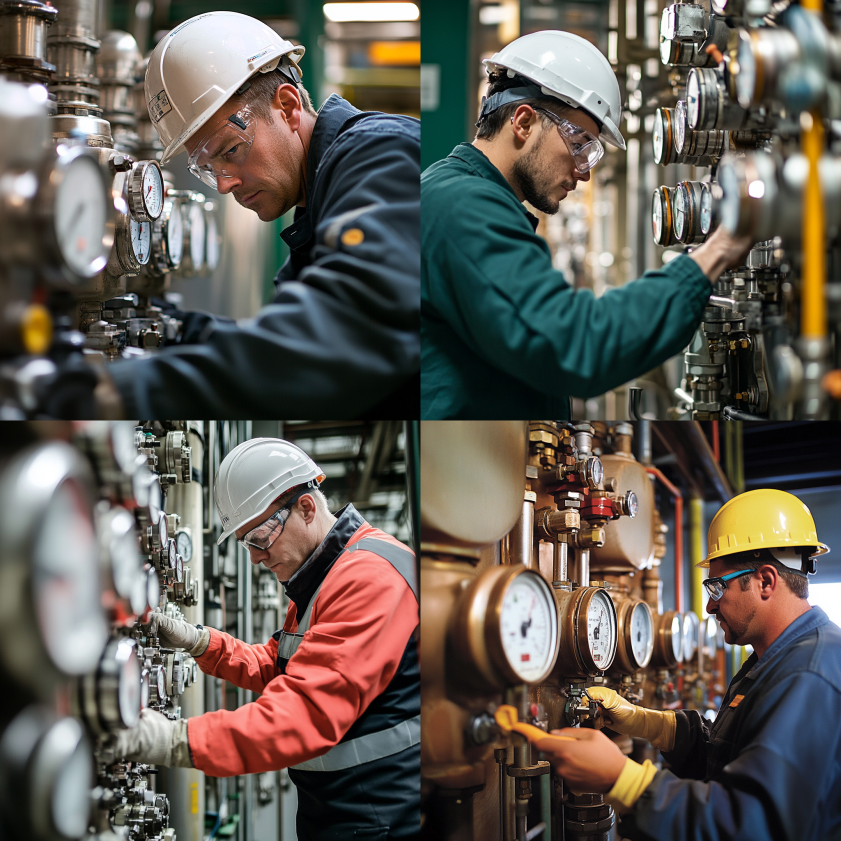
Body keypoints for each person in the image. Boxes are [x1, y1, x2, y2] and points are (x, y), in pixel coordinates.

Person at [44, 11, 419, 419]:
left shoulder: (379, 156)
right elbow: (280, 343)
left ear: (288, 107)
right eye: (206, 169)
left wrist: (116, 390)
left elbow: (337, 338)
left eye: (230, 151)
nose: (224, 185)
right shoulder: (318, 207)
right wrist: (184, 331)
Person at [421, 29, 753, 419]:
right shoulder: (464, 207)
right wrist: (716, 251)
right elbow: (575, 346)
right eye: (579, 145)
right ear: (523, 122)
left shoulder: (457, 194)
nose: (584, 174)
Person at [115, 438, 420, 840]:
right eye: (247, 545)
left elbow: (306, 710)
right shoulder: (323, 575)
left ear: (306, 509)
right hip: (341, 807)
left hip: (380, 814)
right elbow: (280, 664)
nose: (255, 558)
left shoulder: (370, 578)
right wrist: (199, 642)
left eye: (259, 539)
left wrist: (176, 740)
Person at [533, 488, 841, 841]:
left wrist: (623, 780)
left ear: (766, 581)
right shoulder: (777, 658)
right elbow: (727, 759)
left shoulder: (808, 675)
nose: (709, 607)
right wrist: (647, 723)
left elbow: (750, 826)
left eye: (716, 587)